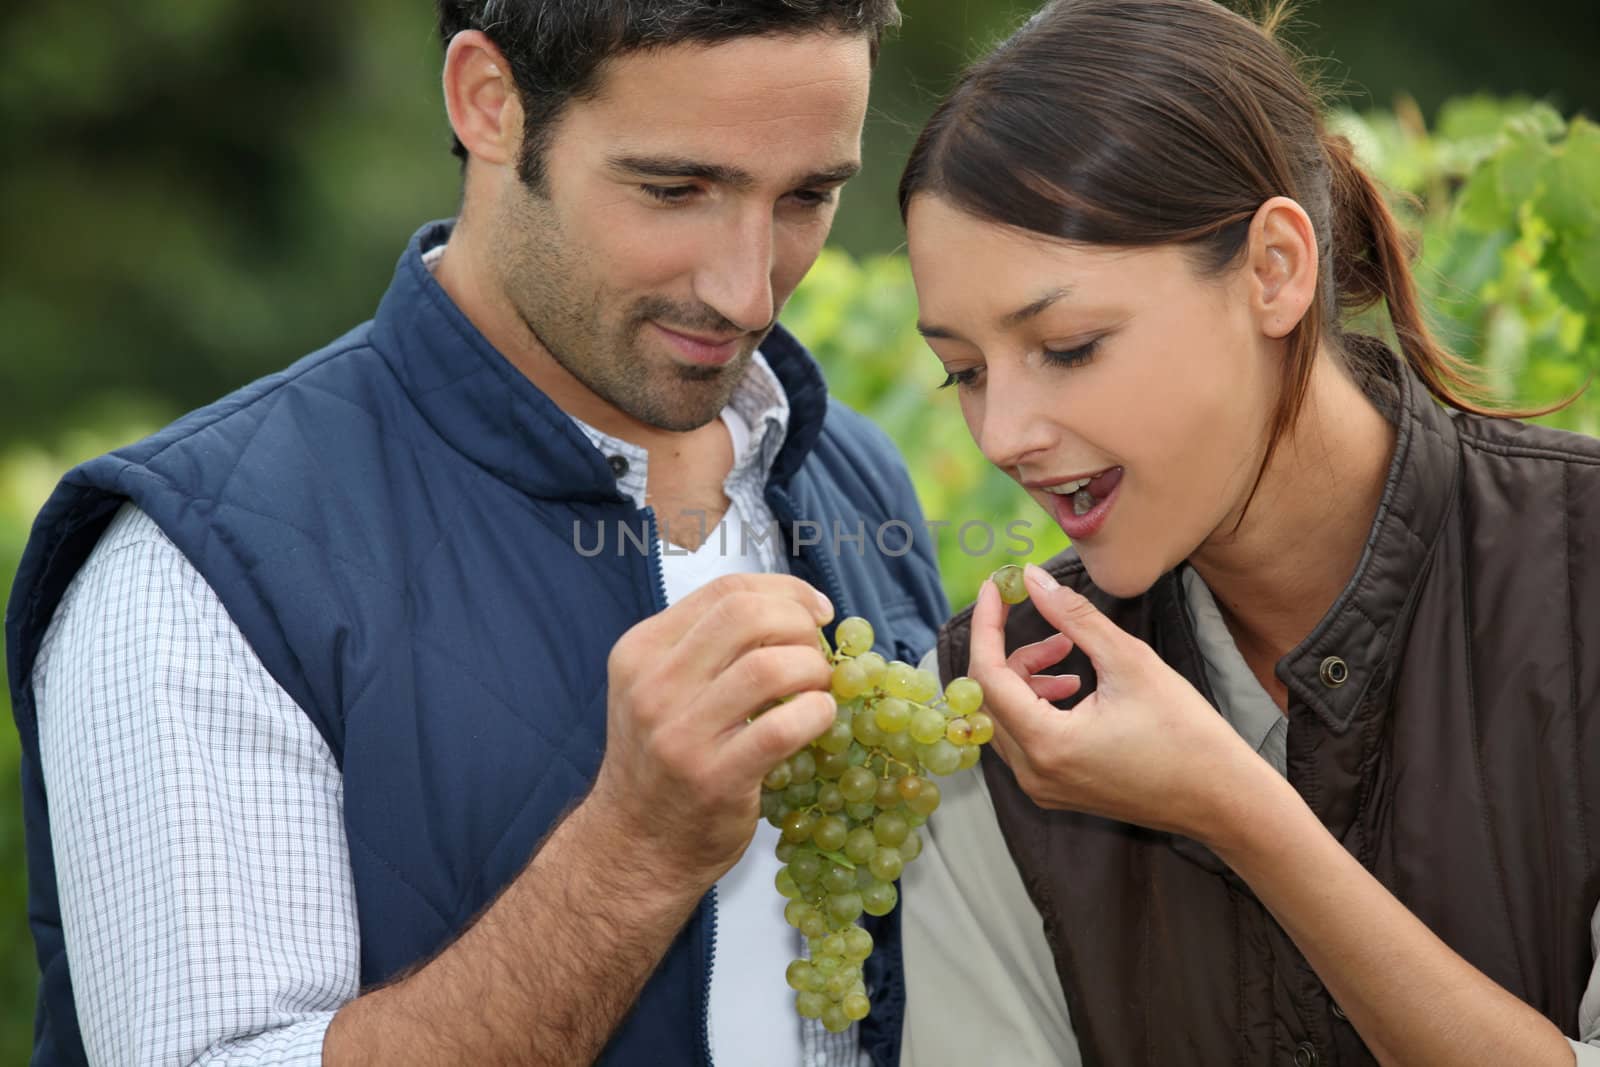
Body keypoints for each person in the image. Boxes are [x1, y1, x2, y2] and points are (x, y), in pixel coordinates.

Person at [4, 3, 950, 1065]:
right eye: (675, 189)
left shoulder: (849, 473)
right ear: (489, 102)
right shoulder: (196, 559)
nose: (745, 288)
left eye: (808, 196)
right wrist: (630, 856)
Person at [892, 1, 1600, 1065]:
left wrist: (1240, 813)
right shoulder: (1001, 703)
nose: (1004, 433)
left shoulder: (1582, 578)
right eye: (964, 371)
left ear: (1274, 268)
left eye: (1069, 345)